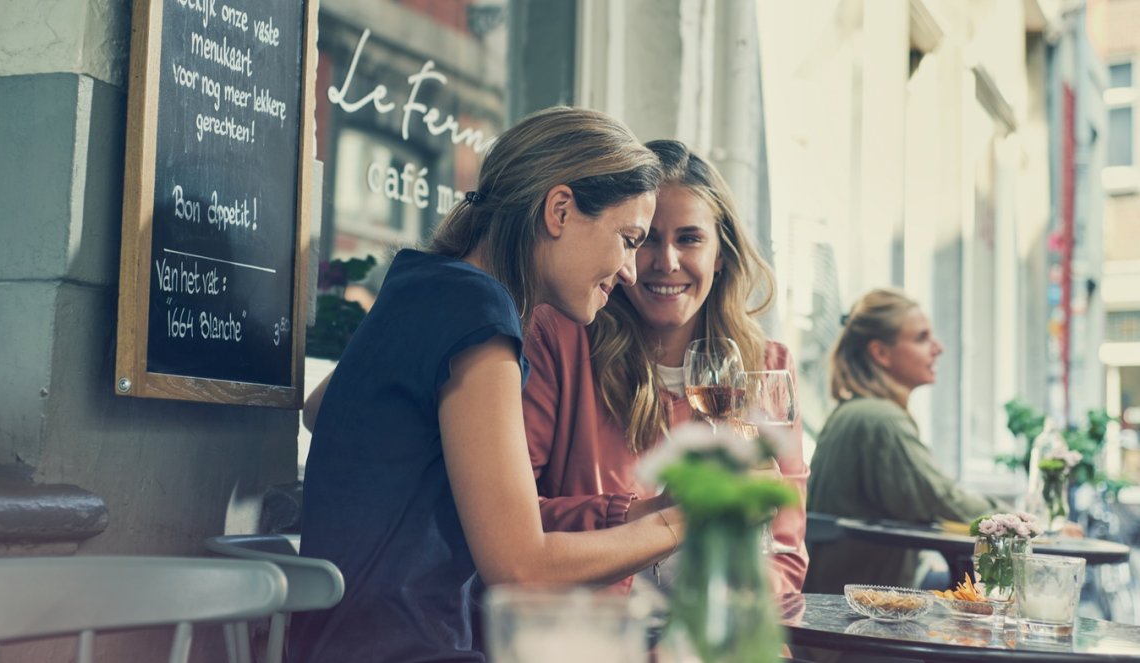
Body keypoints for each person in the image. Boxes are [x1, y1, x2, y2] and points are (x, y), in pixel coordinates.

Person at [290, 106, 685, 663]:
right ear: (560, 209)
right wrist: (679, 524)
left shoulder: (426, 284)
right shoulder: (479, 313)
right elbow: (520, 567)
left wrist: (655, 513)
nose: (630, 271)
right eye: (628, 238)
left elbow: (319, 408)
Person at [521, 139, 808, 595]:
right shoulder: (559, 337)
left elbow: (784, 553)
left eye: (689, 239)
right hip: (599, 630)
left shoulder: (767, 367)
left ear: (721, 253)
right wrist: (652, 514)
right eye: (645, 240)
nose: (665, 262)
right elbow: (516, 523)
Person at [803, 288, 1006, 593]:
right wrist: (1017, 522)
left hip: (838, 599)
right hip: (863, 613)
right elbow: (944, 501)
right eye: (921, 338)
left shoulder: (855, 412)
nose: (938, 348)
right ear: (881, 353)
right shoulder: (880, 420)